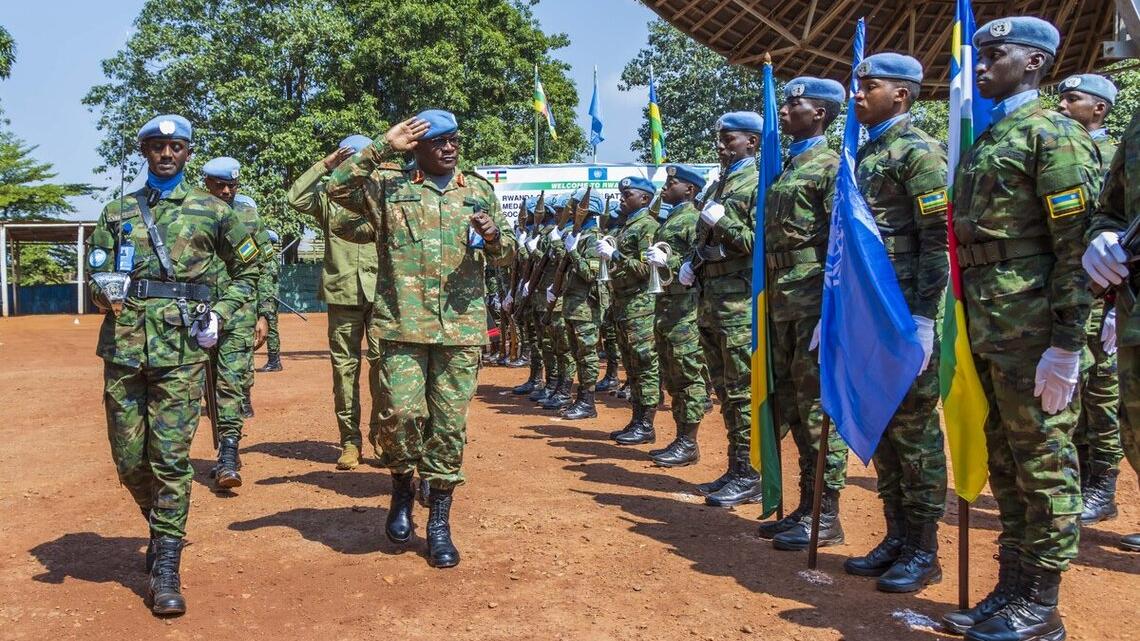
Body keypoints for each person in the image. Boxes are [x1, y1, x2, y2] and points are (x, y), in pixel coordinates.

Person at [941, 18, 1099, 641]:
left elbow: (1076, 248)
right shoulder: (993, 134)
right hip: (990, 325)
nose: (980, 66)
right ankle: (1012, 584)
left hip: (1034, 330)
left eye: (995, 54)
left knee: (1045, 465)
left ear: (1034, 62)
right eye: (979, 56)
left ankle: (1041, 603)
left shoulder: (1054, 134)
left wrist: (1067, 344)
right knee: (1006, 462)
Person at [325, 110, 515, 568]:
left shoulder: (479, 191)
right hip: (402, 326)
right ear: (417, 148)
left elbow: (508, 253)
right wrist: (381, 147)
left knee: (448, 427)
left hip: (460, 329)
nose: (449, 148)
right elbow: (336, 189)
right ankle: (401, 486)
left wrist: (494, 238)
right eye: (438, 142)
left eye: (454, 140)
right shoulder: (389, 186)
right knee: (400, 415)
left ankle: (440, 523)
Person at [87, 114, 259, 614]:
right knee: (129, 460)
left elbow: (249, 270)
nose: (166, 154)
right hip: (123, 348)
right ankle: (158, 524)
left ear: (187, 153)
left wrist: (220, 313)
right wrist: (102, 293)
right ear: (144, 152)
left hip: (182, 351)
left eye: (176, 147)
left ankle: (166, 566)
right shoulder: (117, 211)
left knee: (169, 459)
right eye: (157, 147)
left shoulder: (214, 210)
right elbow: (96, 276)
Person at [845, 54, 949, 593]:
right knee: (883, 424)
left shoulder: (920, 151)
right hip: (870, 314)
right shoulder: (865, 152)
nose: (857, 95)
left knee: (914, 432)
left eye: (870, 86)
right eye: (858, 86)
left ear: (902, 94)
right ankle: (897, 535)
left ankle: (924, 548)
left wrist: (924, 317)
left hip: (904, 312)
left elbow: (937, 240)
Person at [761, 80, 850, 533]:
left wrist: (834, 310)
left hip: (814, 299)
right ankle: (805, 504)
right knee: (794, 405)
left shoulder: (832, 166)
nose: (784, 110)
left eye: (794, 104)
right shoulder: (785, 168)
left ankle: (825, 513)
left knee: (817, 407)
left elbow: (843, 241)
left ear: (820, 113)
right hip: (783, 300)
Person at [287, 134, 378, 470]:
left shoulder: (383, 195)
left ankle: (381, 437)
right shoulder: (328, 198)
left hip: (382, 294)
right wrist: (324, 165)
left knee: (385, 368)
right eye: (348, 160)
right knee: (345, 371)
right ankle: (350, 441)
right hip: (343, 293)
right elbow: (296, 197)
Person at [1057, 73, 1124, 527]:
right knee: (1074, 391)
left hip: (1106, 298)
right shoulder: (1062, 150)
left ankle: (1104, 484)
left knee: (1102, 394)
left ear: (1099, 108)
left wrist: (1117, 304)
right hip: (1073, 294)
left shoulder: (1115, 155)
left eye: (1073, 99)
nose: (1062, 106)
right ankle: (1083, 478)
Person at [1083, 93, 1140, 556]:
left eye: (1074, 99)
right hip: (1129, 302)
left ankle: (1100, 484)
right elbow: (1111, 209)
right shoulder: (1137, 125)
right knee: (1132, 417)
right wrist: (1102, 235)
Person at [645, 165, 709, 467]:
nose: (665, 187)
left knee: (687, 377)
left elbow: (699, 259)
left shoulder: (693, 219)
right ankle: (681, 438)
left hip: (686, 311)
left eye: (672, 183)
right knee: (673, 377)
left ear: (689, 190)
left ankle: (688, 442)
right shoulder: (671, 219)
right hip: (668, 309)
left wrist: (668, 261)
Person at [597, 176, 661, 444]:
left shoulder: (647, 226)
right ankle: (636, 420)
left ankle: (646, 425)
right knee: (632, 367)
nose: (622, 199)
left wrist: (615, 256)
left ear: (644, 198)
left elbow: (648, 269)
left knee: (645, 365)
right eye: (621, 195)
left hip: (641, 307)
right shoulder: (627, 226)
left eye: (627, 195)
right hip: (624, 305)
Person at [556, 188, 605, 419]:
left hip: (586, 306)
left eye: (576, 206)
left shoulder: (594, 237)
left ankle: (588, 402)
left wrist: (574, 253)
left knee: (587, 355)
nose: (571, 209)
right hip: (573, 305)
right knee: (577, 354)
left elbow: (590, 274)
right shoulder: (578, 235)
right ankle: (581, 399)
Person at [255, 229, 282, 381]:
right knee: (271, 329)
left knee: (271, 330)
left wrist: (264, 302)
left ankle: (274, 361)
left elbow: (266, 280)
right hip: (268, 296)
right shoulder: (268, 254)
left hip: (267, 297)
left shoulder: (267, 256)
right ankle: (274, 360)